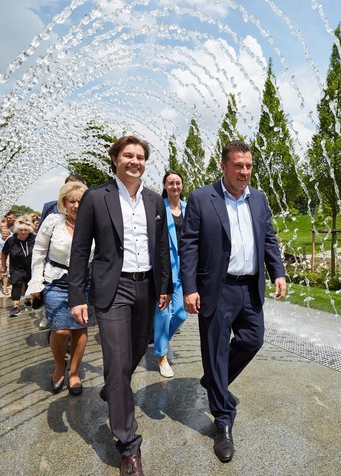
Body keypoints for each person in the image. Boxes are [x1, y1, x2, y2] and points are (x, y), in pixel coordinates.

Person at [68, 135, 172, 476]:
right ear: (115, 159)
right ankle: (128, 446)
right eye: (128, 155)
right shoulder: (96, 197)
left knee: (135, 353)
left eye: (140, 157)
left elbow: (161, 248)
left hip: (147, 288)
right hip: (113, 289)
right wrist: (76, 295)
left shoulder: (154, 200)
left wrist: (165, 286)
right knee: (115, 359)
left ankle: (113, 389)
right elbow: (80, 249)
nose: (135, 161)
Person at [179, 140, 287, 463]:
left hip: (249, 288)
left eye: (249, 166)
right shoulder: (202, 198)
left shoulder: (259, 199)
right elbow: (189, 245)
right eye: (238, 165)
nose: (244, 171)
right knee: (215, 351)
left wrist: (278, 272)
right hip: (216, 288)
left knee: (253, 339)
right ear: (224, 166)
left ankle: (215, 380)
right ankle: (223, 423)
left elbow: (268, 238)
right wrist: (189, 287)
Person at [29, 181, 94, 396]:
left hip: (85, 281)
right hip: (56, 280)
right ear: (63, 203)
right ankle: (59, 366)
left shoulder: (93, 223)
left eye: (80, 201)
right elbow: (39, 252)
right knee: (61, 329)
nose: (76, 206)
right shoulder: (53, 222)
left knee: (80, 328)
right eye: (71, 201)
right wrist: (36, 282)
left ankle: (74, 372)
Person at [152, 170, 187, 378]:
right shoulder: (158, 208)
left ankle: (160, 340)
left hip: (184, 267)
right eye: (170, 183)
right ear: (165, 186)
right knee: (163, 312)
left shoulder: (188, 208)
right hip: (164, 267)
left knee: (181, 313)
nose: (174, 186)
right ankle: (161, 356)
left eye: (178, 182)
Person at [1, 215, 36, 317]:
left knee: (30, 284)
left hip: (31, 267)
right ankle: (16, 306)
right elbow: (4, 253)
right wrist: (3, 265)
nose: (23, 232)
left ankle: (27, 300)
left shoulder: (34, 238)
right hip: (16, 267)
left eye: (26, 230)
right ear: (17, 229)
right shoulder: (11, 240)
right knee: (16, 284)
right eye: (21, 230)